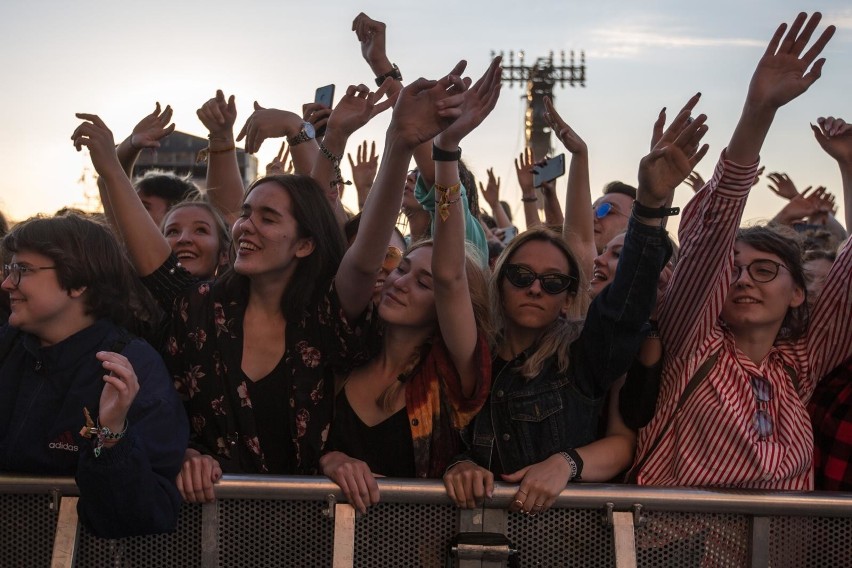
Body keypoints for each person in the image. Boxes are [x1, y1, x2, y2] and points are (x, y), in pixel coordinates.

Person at [74, 64, 475, 503]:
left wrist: (398, 146)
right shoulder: (198, 307)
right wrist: (188, 451)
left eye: (268, 218)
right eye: (246, 213)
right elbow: (147, 251)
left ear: (304, 245)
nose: (246, 227)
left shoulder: (326, 315)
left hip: (310, 531)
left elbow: (363, 259)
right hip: (209, 529)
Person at [442, 98, 706, 513]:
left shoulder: (581, 355)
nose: (535, 290)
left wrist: (652, 207)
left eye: (552, 283)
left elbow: (624, 306)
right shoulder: (468, 353)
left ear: (569, 297)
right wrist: (458, 465)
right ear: (499, 282)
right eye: (521, 277)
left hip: (563, 543)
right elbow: (448, 276)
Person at [632, 13, 848, 490]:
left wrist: (850, 168)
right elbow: (710, 236)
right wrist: (758, 112)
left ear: (797, 293)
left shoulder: (801, 364)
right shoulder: (692, 344)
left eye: (765, 269)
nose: (744, 279)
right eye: (733, 270)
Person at [320, 57, 501, 513]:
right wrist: (332, 460)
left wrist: (447, 153)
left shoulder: (450, 372)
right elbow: (363, 259)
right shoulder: (342, 352)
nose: (399, 281)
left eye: (424, 283)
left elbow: (450, 273)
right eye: (402, 269)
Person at [0, 213, 187, 538]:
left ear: (78, 282)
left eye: (23, 270)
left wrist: (112, 436)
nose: (6, 283)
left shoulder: (133, 367)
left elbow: (140, 516)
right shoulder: (7, 347)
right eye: (9, 268)